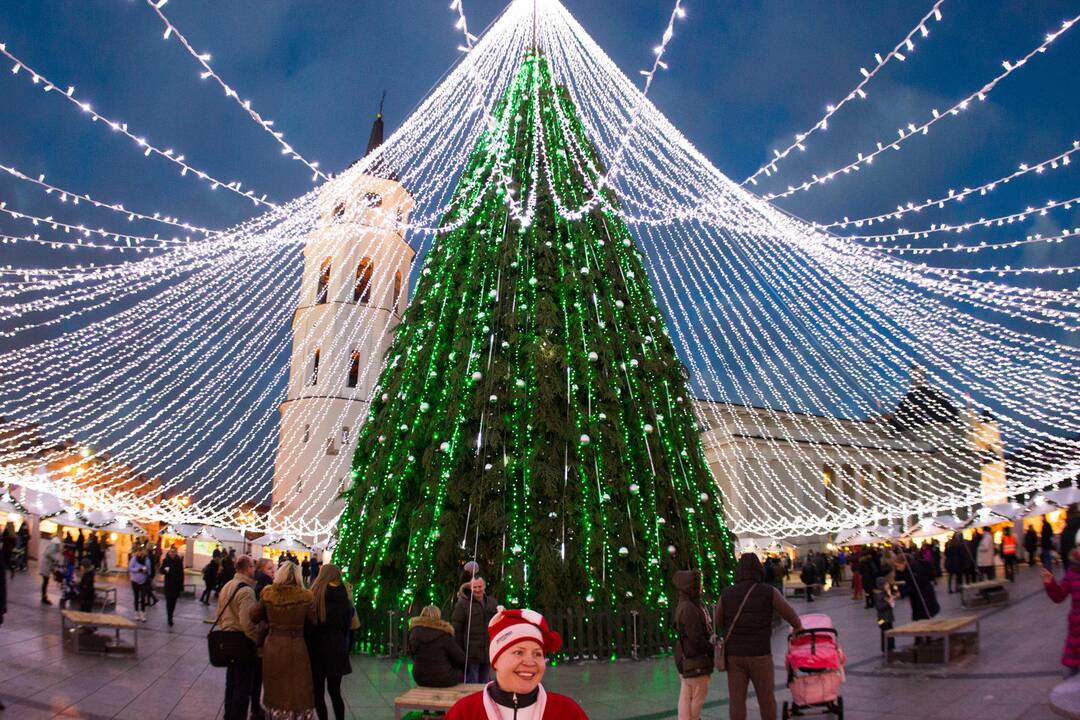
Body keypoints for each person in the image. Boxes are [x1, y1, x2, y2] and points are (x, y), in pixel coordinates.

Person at [446, 609, 587, 719]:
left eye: (537, 654)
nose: (530, 662)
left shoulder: (568, 713)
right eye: (519, 652)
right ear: (496, 661)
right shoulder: (464, 713)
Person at [714, 553, 803, 720]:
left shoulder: (727, 594)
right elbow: (791, 615)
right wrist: (798, 627)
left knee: (736, 701)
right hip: (760, 654)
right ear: (758, 570)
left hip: (734, 656)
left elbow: (718, 623)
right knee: (766, 699)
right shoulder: (769, 592)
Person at [250, 562, 316, 720]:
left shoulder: (268, 593)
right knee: (298, 685)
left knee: (275, 686)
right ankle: (298, 716)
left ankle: (276, 715)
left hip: (273, 645)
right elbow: (314, 620)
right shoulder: (306, 596)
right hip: (297, 645)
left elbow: (253, 616)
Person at [307, 564, 354, 720]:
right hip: (337, 649)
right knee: (335, 692)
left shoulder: (315, 594)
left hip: (317, 649)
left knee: (318, 693)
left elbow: (309, 625)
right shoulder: (345, 596)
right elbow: (348, 625)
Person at [217, 555, 259, 720]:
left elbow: (219, 613)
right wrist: (256, 639)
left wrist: (225, 627)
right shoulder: (246, 591)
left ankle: (228, 715)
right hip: (241, 642)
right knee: (243, 686)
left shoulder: (227, 585)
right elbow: (247, 623)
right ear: (248, 568)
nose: (254, 570)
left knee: (231, 683)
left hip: (227, 639)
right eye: (252, 567)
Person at [673, 570, 713, 720]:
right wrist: (712, 649)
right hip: (695, 659)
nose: (701, 589)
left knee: (686, 696)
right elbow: (695, 638)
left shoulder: (684, 604)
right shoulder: (689, 607)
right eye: (698, 586)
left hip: (686, 658)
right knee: (697, 697)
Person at [452, 575, 500, 684]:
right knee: (471, 683)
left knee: (484, 684)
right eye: (475, 587)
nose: (478, 589)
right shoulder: (463, 604)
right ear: (470, 588)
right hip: (470, 653)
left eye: (480, 586)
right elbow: (457, 630)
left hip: (487, 652)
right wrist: (460, 652)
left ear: (484, 587)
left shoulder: (492, 602)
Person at [1042, 547, 1080, 677]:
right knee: (1071, 674)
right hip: (1077, 631)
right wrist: (1050, 583)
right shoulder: (1072, 572)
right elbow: (1059, 596)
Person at [409, 605, 466, 687]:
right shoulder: (444, 634)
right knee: (462, 674)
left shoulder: (413, 633)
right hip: (444, 678)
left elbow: (413, 655)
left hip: (420, 678)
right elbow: (461, 658)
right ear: (438, 616)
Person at [249, 558, 277, 720]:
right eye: (269, 569)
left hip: (260, 637)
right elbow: (258, 614)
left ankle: (255, 706)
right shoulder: (265, 587)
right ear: (261, 570)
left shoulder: (258, 583)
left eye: (273, 568)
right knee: (260, 674)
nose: (272, 571)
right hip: (263, 636)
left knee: (258, 675)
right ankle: (257, 707)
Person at [894, 552, 940, 621]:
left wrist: (901, 593)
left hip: (924, 598)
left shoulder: (914, 569)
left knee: (923, 619)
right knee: (920, 618)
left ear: (904, 563)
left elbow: (914, 585)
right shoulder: (908, 569)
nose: (897, 568)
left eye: (898, 566)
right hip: (918, 599)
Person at [160, 544, 184, 626]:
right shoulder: (166, 561)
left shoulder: (179, 561)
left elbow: (181, 574)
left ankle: (171, 615)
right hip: (168, 585)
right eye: (171, 552)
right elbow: (161, 570)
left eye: (174, 552)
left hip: (176, 585)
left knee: (173, 602)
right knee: (168, 602)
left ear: (176, 553)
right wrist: (165, 571)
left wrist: (181, 586)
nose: (172, 553)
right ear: (169, 552)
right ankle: (169, 617)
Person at [872, 576, 896, 652]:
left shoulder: (886, 593)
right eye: (886, 584)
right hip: (882, 619)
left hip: (888, 618)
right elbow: (879, 607)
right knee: (885, 633)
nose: (888, 585)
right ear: (881, 585)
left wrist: (890, 597)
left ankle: (890, 647)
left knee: (890, 632)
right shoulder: (878, 595)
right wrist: (888, 603)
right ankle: (886, 648)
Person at [128, 548, 151, 622]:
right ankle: (136, 613)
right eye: (139, 552)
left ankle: (143, 614)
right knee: (136, 597)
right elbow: (130, 568)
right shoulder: (134, 559)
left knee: (143, 598)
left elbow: (149, 570)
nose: (140, 553)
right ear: (137, 552)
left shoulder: (147, 560)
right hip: (135, 581)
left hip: (143, 581)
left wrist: (146, 572)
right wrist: (138, 570)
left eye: (141, 552)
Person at [40, 535, 62, 605]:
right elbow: (48, 554)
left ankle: (44, 596)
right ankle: (43, 597)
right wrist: (55, 559)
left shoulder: (52, 546)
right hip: (46, 566)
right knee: (45, 581)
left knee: (45, 581)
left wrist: (54, 573)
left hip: (46, 566)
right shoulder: (53, 547)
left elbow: (50, 558)